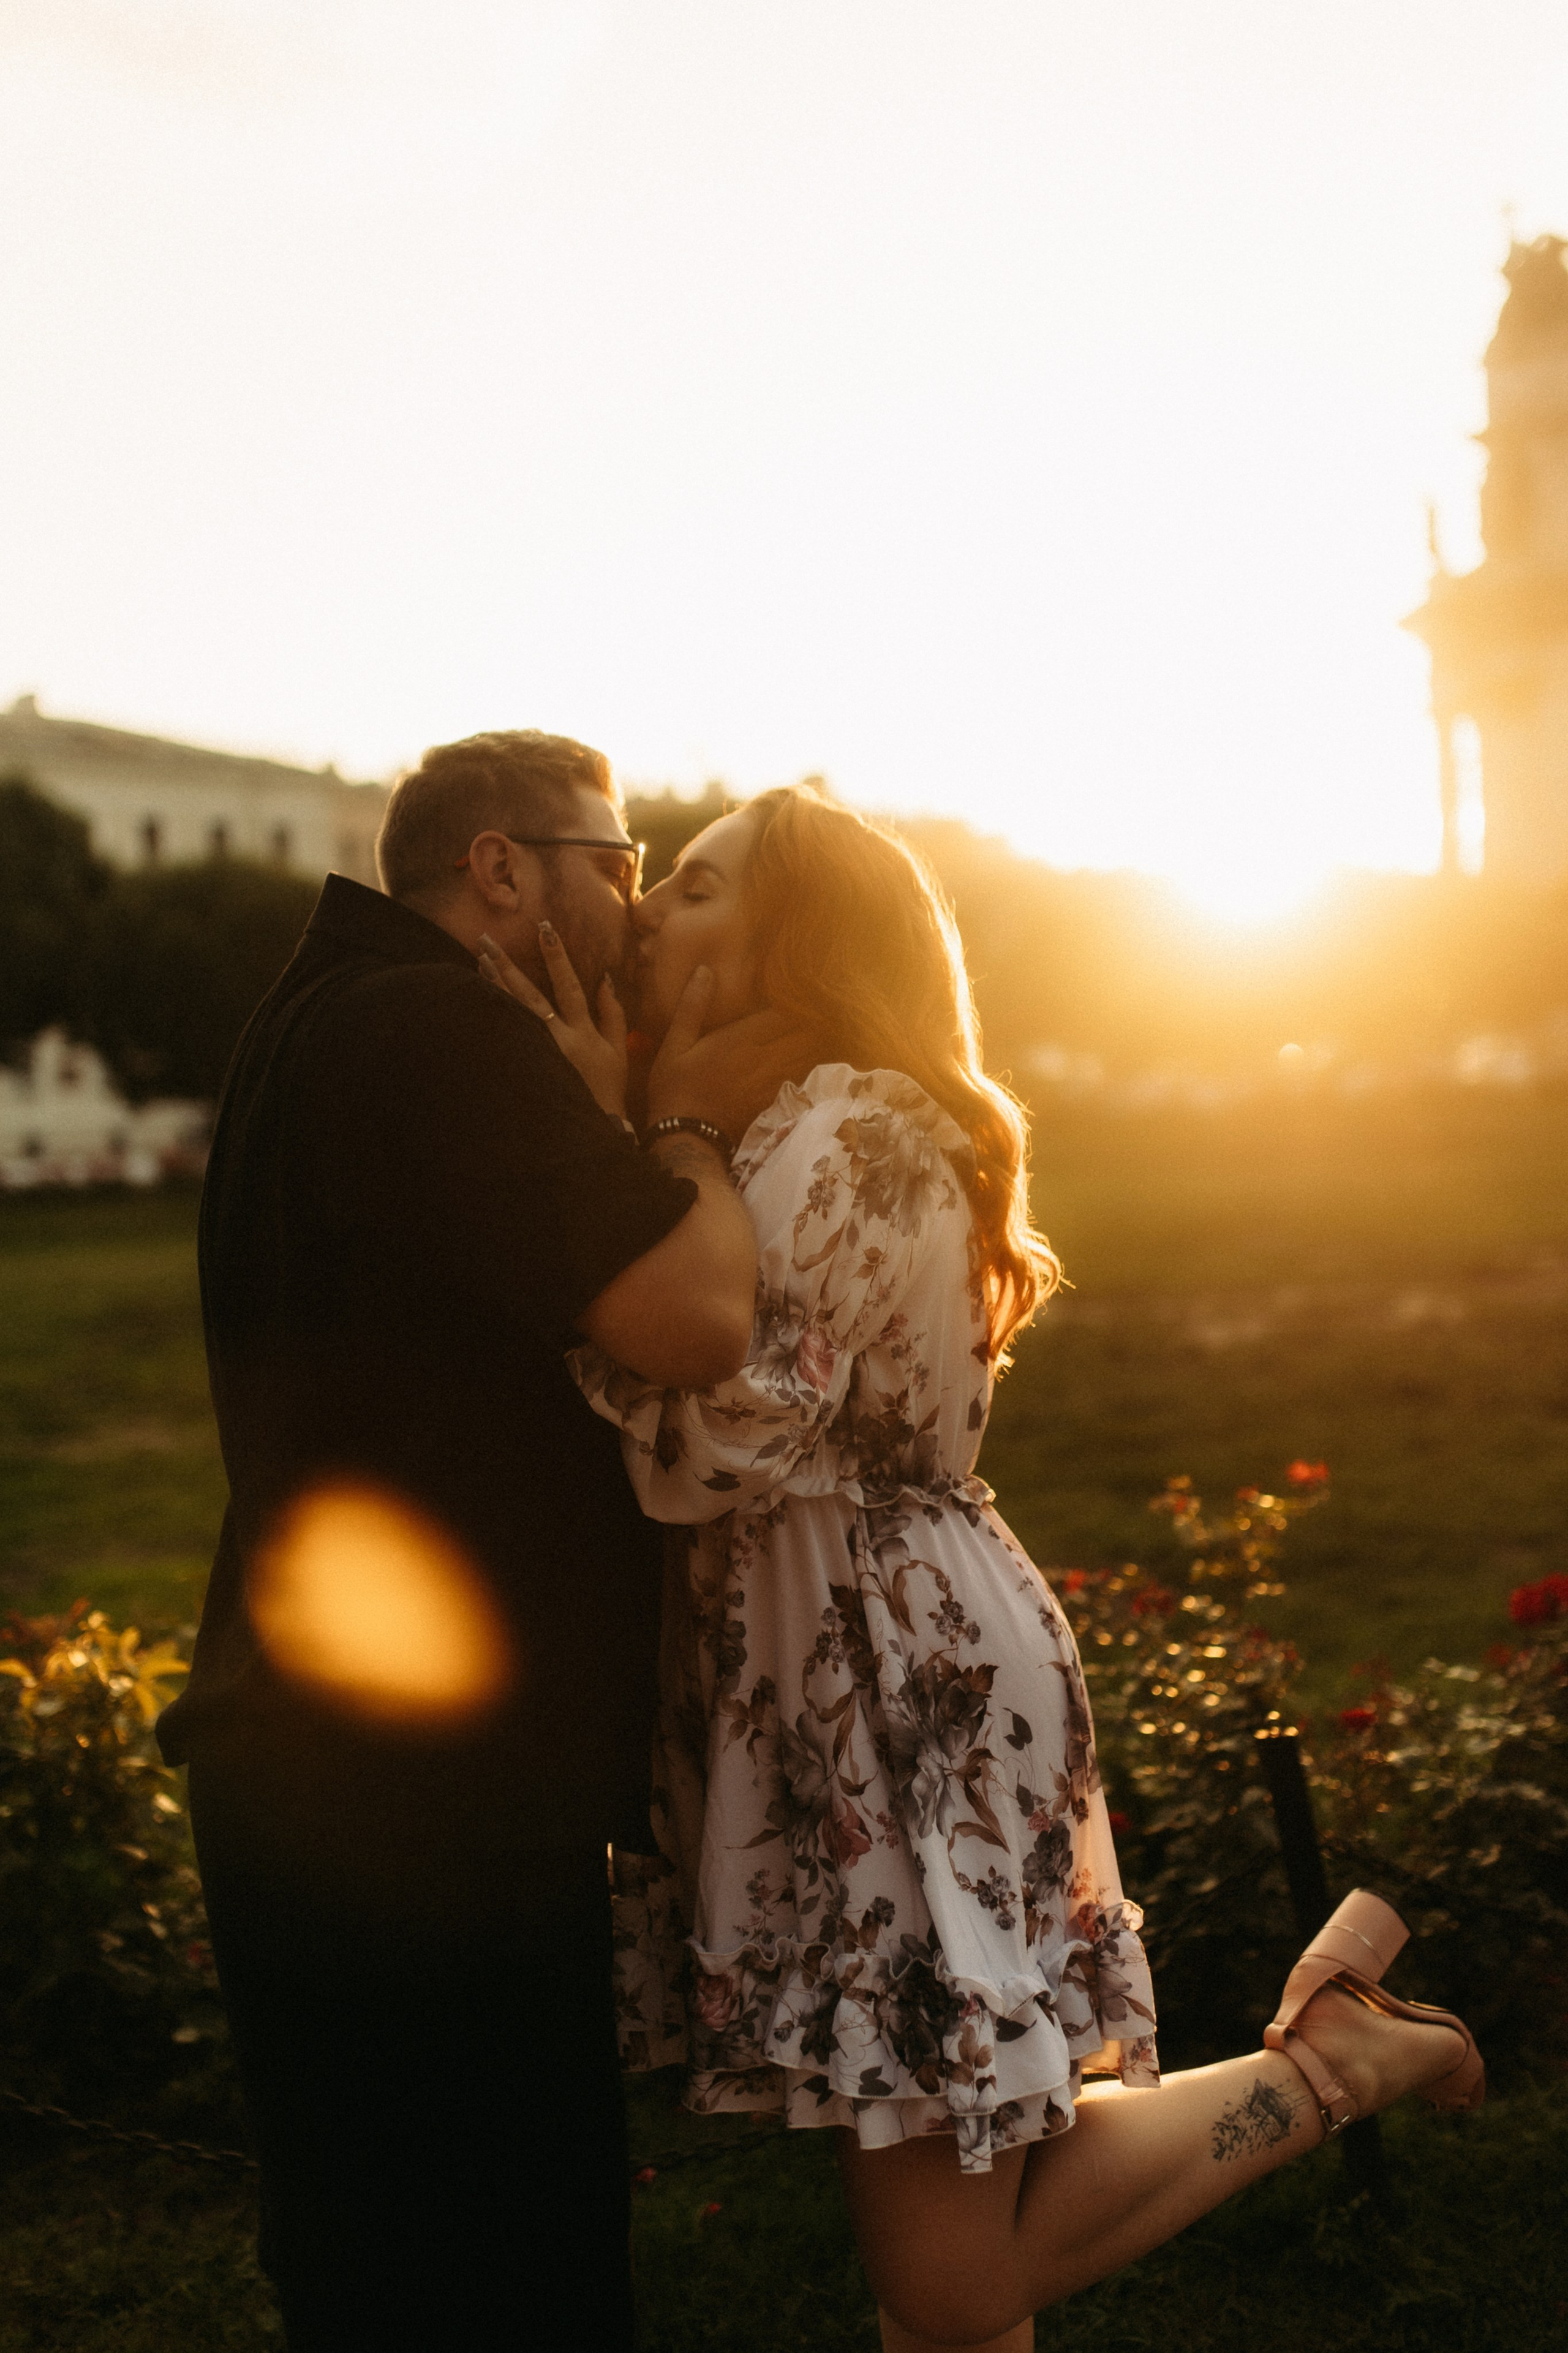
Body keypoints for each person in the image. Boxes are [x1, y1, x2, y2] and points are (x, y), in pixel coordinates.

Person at [481, 783, 1483, 2353]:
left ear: (795, 933)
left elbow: (725, 1433)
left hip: (895, 1675)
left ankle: (1342, 2060)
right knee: (957, 2204)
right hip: (839, 1672)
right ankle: (1343, 2039)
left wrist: (635, 1177)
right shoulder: (788, 1121)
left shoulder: (857, 1123)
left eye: (695, 886)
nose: (652, 909)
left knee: (947, 2273)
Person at [157, 730, 807, 2352]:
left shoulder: (313, 1019)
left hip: (313, 1752)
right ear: (501, 868)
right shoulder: (445, 1029)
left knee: (373, 2264)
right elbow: (696, 1316)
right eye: (618, 861)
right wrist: (673, 1129)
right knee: (512, 2270)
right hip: (425, 1797)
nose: (633, 900)